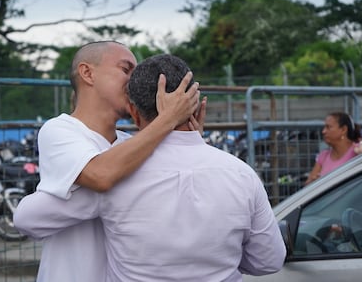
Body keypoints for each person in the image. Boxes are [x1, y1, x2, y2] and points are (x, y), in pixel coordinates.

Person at [15, 54, 286, 281]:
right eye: (125, 68)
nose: (128, 78)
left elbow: (27, 218)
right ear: (197, 104)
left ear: (134, 112)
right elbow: (269, 260)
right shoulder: (241, 175)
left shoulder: (123, 170)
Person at [13, 41, 204, 282]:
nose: (135, 81)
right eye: (126, 70)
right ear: (87, 73)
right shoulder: (60, 129)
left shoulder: (132, 143)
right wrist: (168, 120)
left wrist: (190, 143)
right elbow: (101, 175)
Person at [306, 111, 362, 185]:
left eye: (328, 127)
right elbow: (308, 185)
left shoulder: (359, 151)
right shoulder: (323, 156)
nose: (323, 131)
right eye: (324, 127)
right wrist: (314, 182)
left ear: (343, 129)